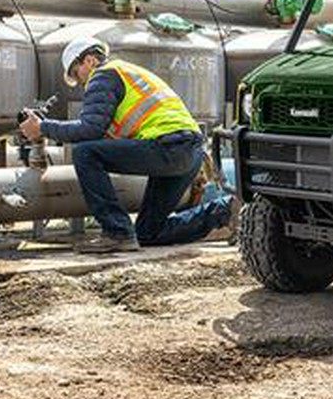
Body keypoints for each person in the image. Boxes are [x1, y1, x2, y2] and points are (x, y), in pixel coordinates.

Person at [19, 35, 234, 254]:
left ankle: (117, 232)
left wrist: (43, 128)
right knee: (149, 233)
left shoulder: (103, 75)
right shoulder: (127, 72)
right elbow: (108, 133)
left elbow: (89, 129)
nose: (81, 81)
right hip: (189, 151)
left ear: (90, 60)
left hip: (168, 147)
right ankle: (225, 210)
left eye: (77, 72)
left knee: (85, 153)